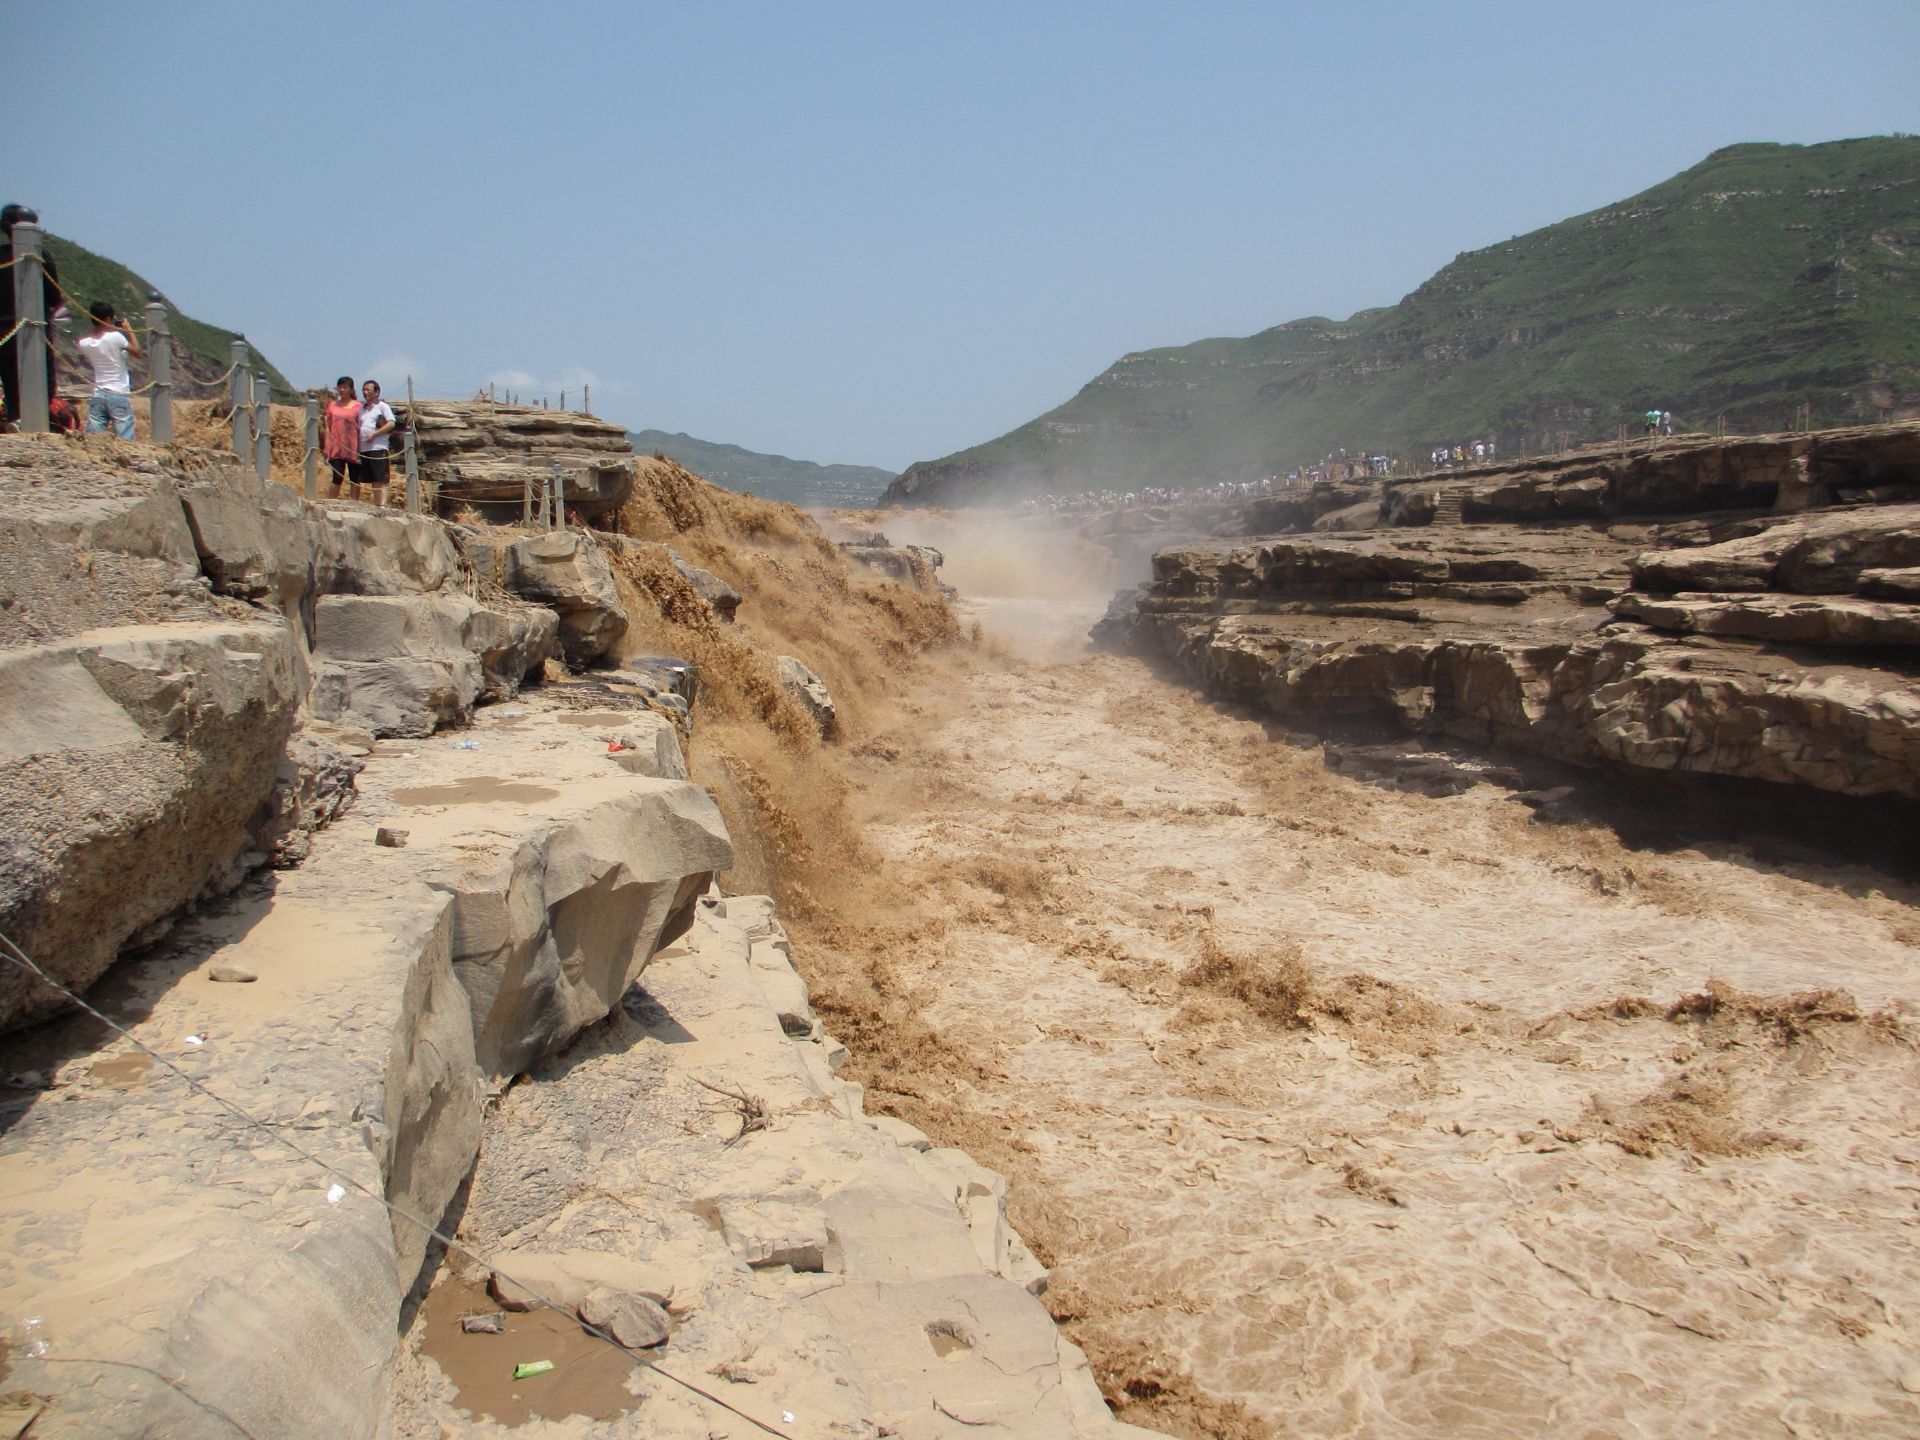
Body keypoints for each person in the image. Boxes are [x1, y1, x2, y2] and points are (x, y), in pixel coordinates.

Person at [1, 203, 63, 429]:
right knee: (43, 382)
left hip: (4, 332)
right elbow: (54, 296)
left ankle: (16, 418)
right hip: (34, 330)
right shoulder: (40, 255)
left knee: (10, 381)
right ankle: (35, 423)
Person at [77, 301, 141, 439]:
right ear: (107, 319)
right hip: (118, 393)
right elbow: (137, 352)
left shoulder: (85, 343)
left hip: (98, 393)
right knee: (126, 441)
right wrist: (128, 330)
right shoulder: (116, 337)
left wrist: (97, 326)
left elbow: (92, 337)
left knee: (93, 441)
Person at [355, 378, 397, 506]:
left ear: (376, 392)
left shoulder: (382, 406)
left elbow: (391, 423)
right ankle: (378, 503)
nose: (365, 392)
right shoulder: (362, 409)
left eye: (368, 390)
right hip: (364, 448)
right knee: (372, 477)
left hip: (378, 446)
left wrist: (375, 434)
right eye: (364, 390)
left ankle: (381, 505)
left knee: (380, 477)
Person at [323, 376, 361, 498]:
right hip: (336, 446)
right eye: (340, 387)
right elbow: (328, 425)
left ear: (351, 389)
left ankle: (354, 503)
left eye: (345, 387)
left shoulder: (358, 406)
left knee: (355, 477)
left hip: (353, 446)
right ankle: (331, 502)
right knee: (337, 476)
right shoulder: (332, 406)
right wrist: (327, 444)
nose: (342, 390)